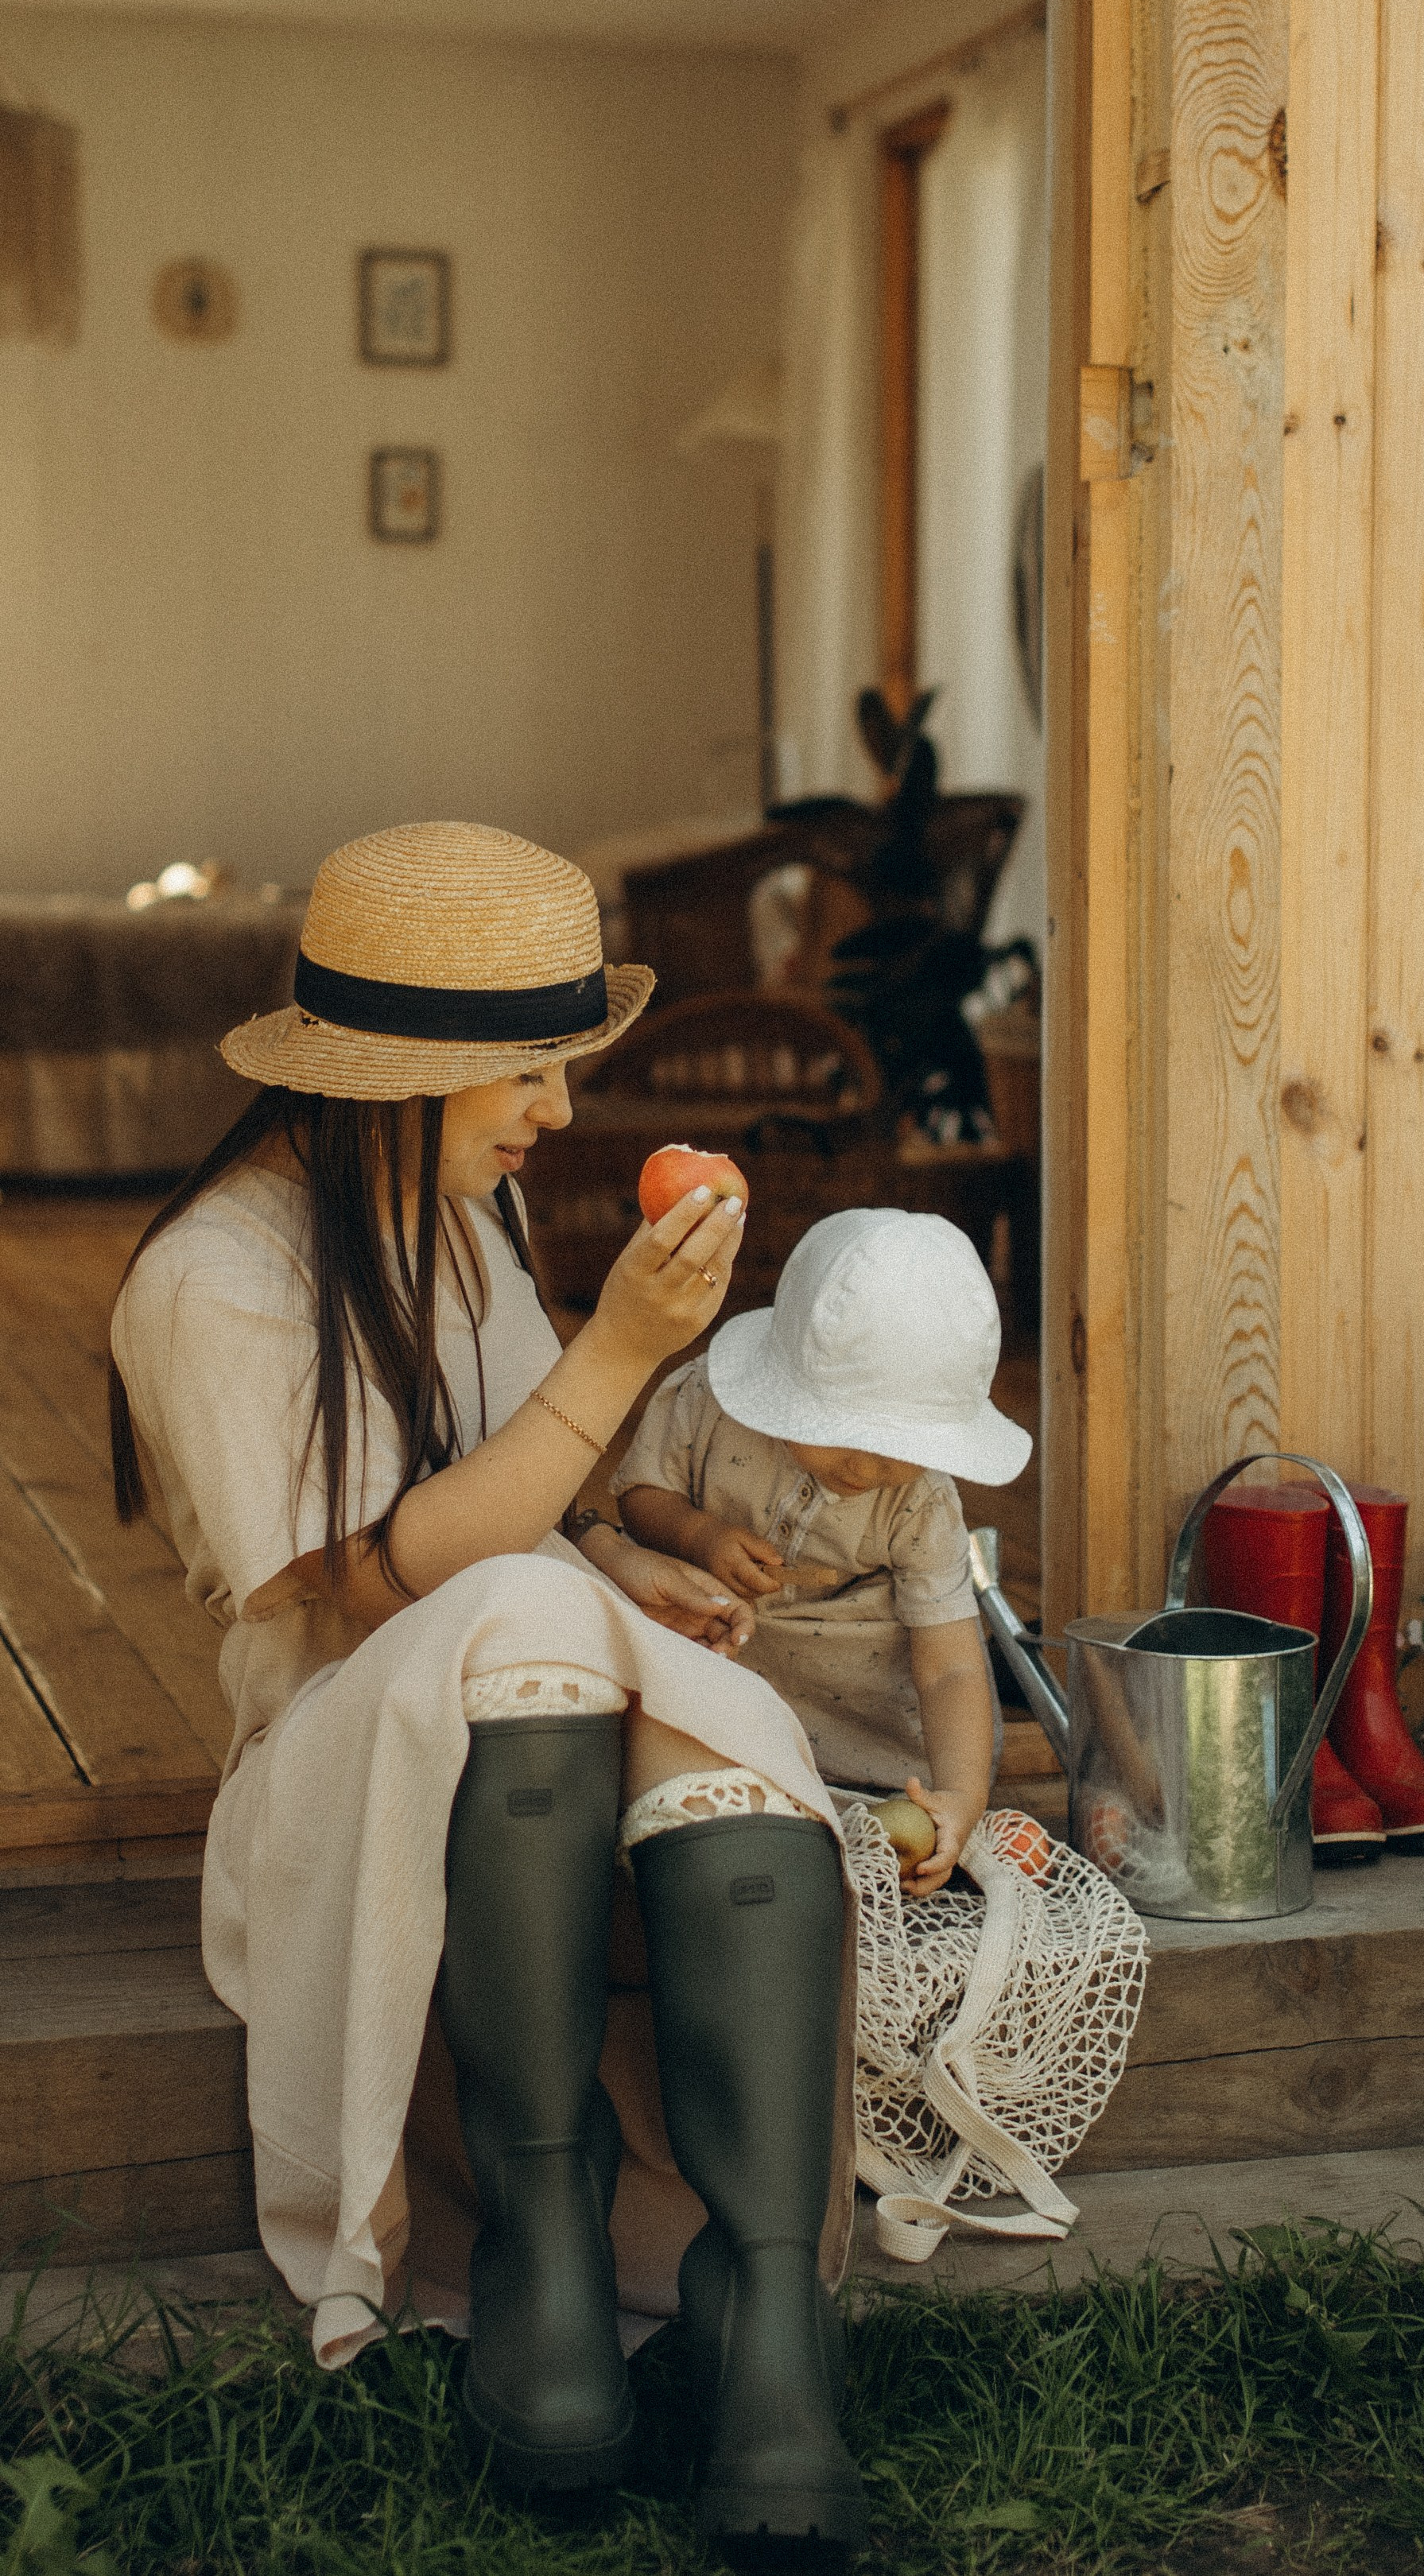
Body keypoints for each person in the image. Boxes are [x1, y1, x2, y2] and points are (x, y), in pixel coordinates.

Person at [107, 819, 866, 2548]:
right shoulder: (213, 1277)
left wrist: (630, 1563)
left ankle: (762, 2336)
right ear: (405, 1074)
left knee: (716, 1711)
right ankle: (550, 2237)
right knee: (521, 1622)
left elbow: (545, 1489)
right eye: (533, 1068)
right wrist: (617, 1357)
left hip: (515, 1692)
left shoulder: (464, 1210)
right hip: (343, 1741)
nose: (562, 1111)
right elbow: (374, 1587)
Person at [614, 1209, 1032, 1890]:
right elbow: (640, 1493)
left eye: (897, 1450)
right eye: (838, 1434)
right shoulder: (706, 1403)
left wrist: (962, 1796)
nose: (864, 1470)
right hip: (720, 1677)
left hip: (861, 1725)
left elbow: (950, 1667)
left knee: (865, 1823)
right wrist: (698, 1535)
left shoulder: (921, 1502)